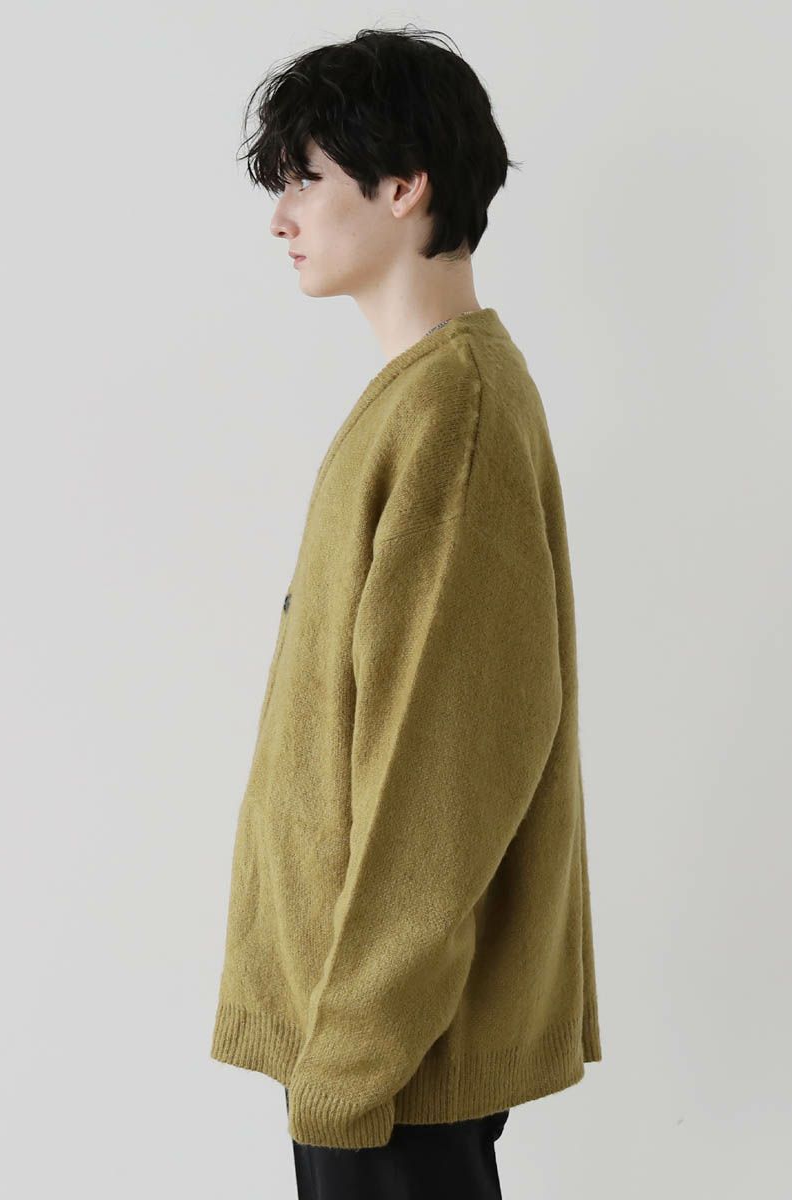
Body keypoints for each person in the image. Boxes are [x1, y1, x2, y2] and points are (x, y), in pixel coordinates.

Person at [209, 26, 602, 1200]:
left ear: (403, 187)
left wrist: (352, 1058)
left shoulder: (452, 413)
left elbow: (447, 769)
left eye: (304, 178)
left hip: (386, 1057)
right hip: (365, 1036)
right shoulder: (422, 398)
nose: (280, 217)